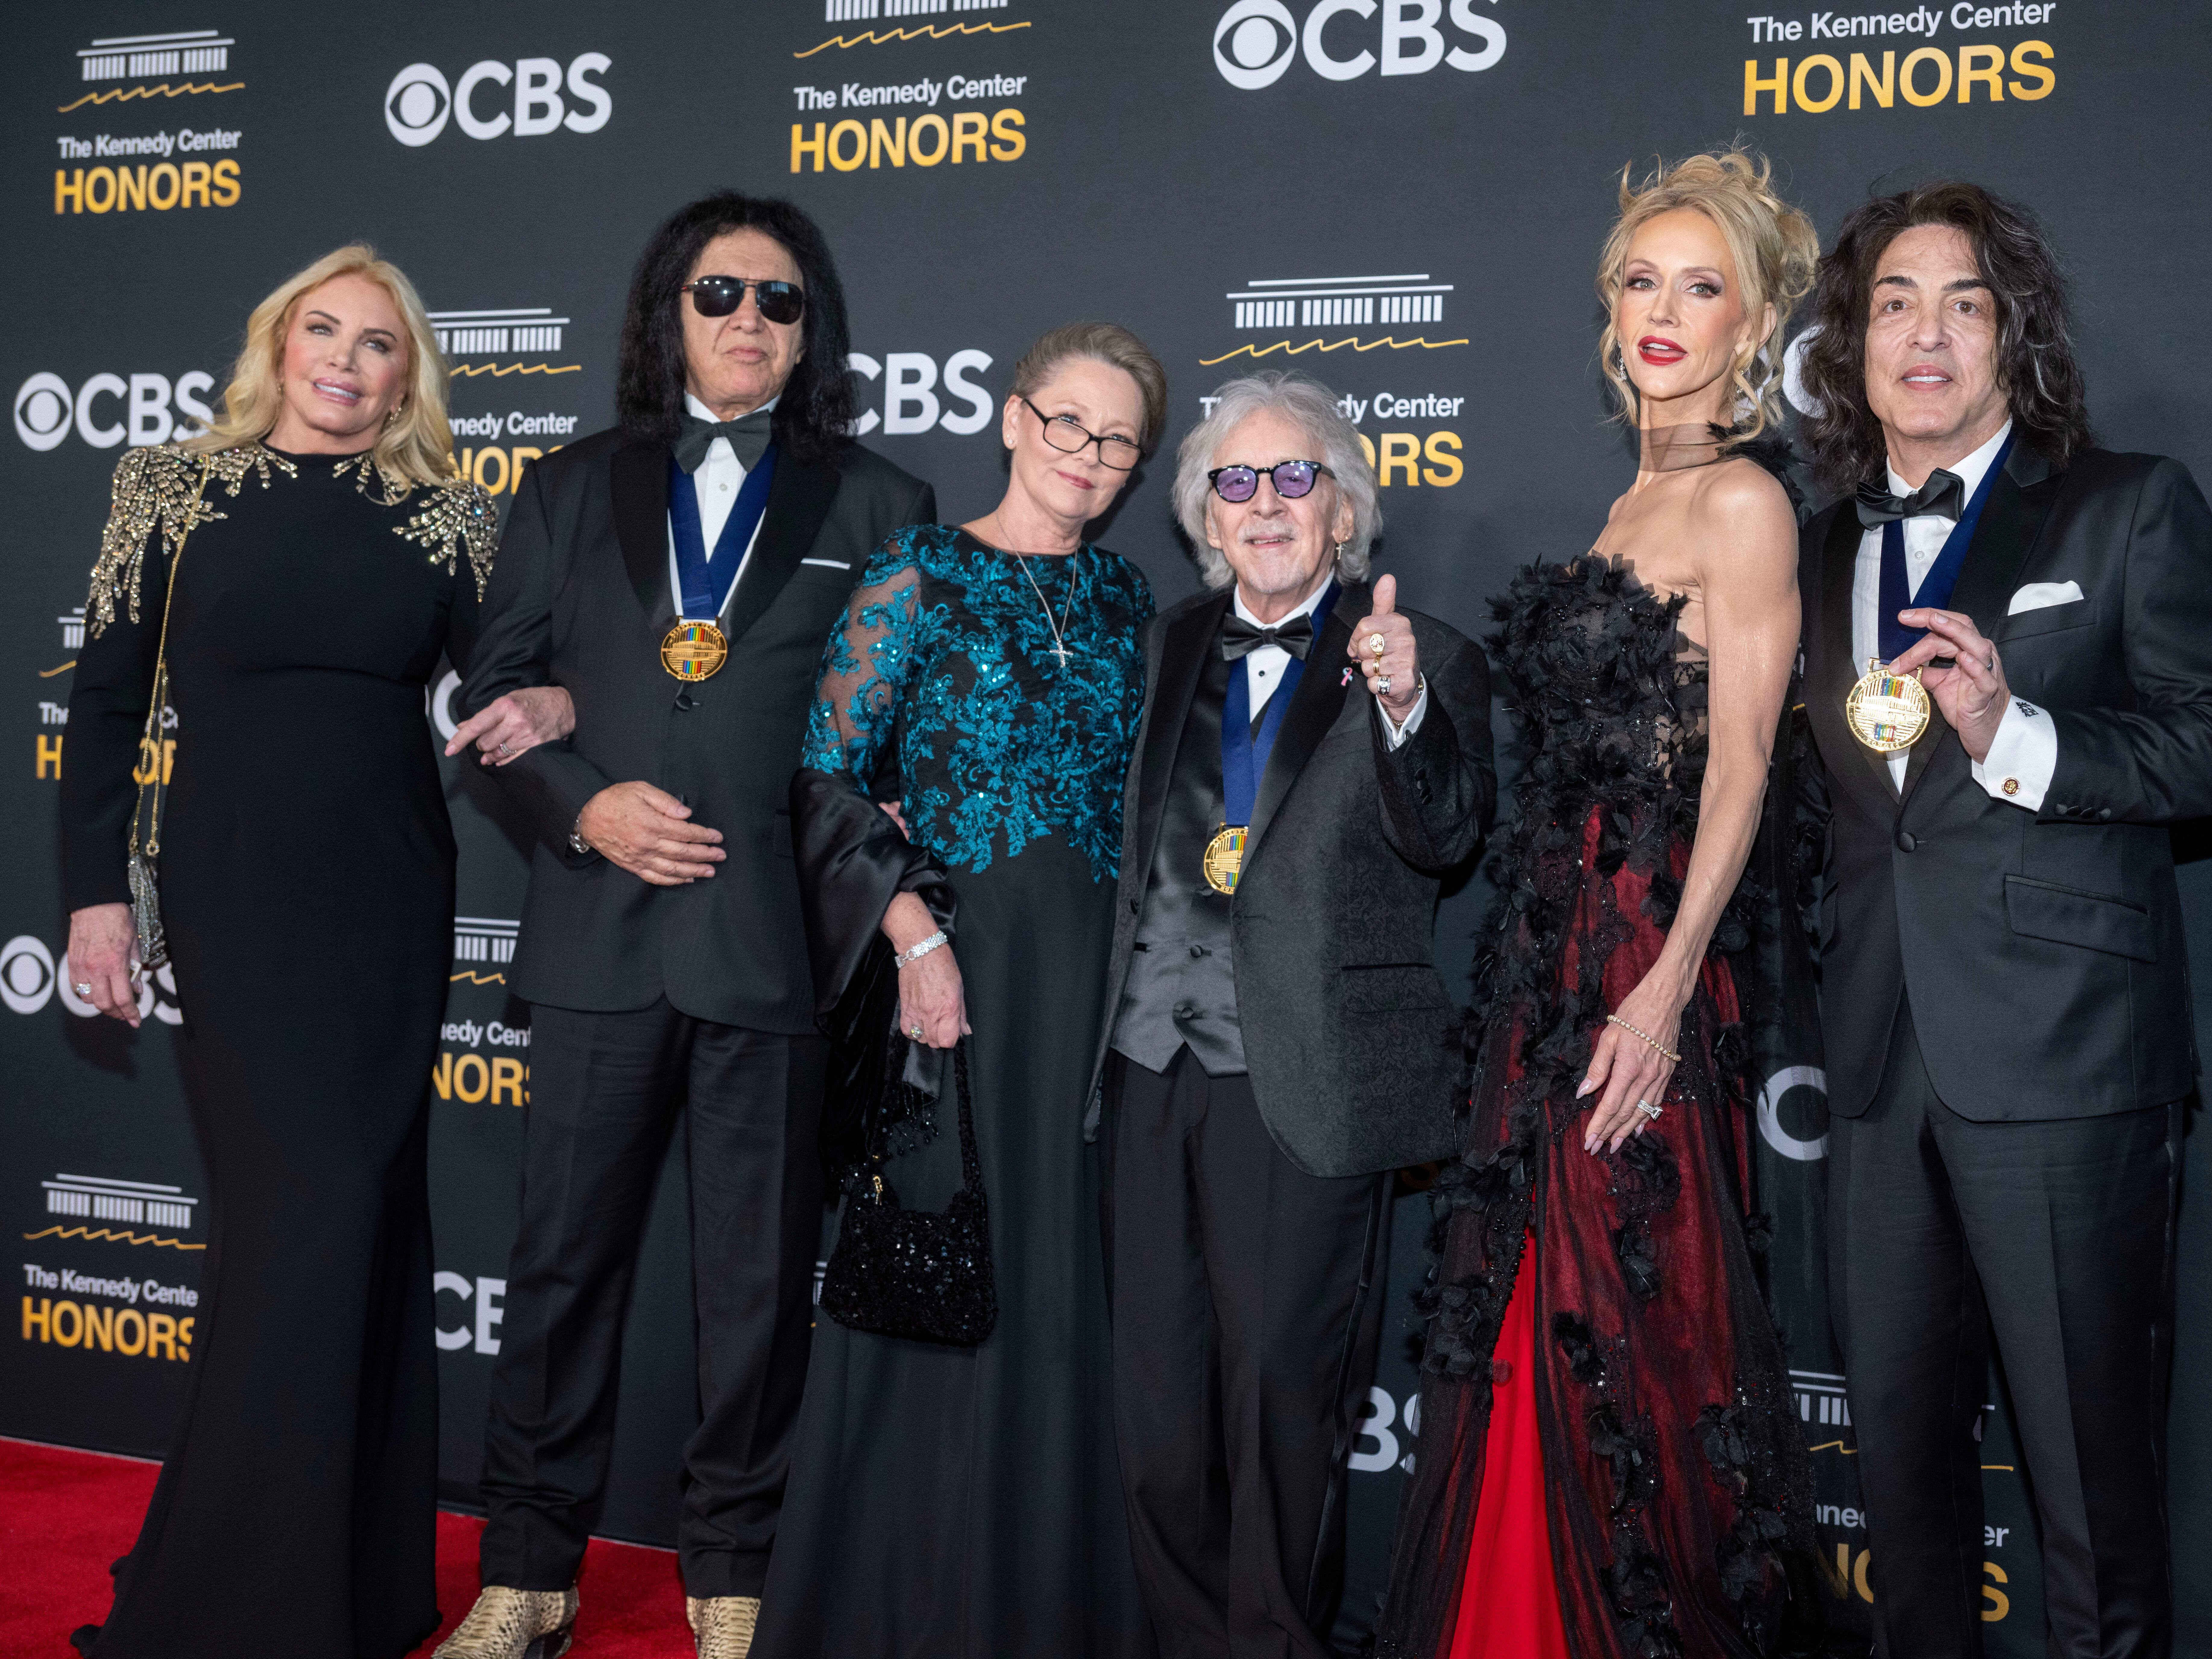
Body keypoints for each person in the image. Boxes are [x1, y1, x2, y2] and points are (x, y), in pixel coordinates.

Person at [442, 193, 934, 1659]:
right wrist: (580, 806)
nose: (746, 322)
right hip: (598, 933)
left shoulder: (878, 503)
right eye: (719, 293)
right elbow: (497, 696)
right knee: (557, 1272)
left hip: (771, 952)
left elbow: (885, 743)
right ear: (671, 310)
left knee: (756, 1287)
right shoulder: (565, 481)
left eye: (779, 301)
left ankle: (733, 1582)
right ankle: (525, 1571)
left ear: (811, 330)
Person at [1379, 151, 1821, 1659]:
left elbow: (1744, 767)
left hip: (1639, 953)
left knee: (1623, 1319)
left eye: (1702, 287)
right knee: (1530, 1316)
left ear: (1752, 323)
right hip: (1544, 960)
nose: (1664, 311)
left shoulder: (1742, 500)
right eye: (1642, 279)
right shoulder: (1632, 492)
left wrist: (1664, 984)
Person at [57, 245, 501, 1657]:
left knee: (359, 1223)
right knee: (297, 1223)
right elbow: (108, 706)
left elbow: (513, 690)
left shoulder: (450, 518)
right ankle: (244, 1597)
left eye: (380, 343)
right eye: (325, 329)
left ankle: (343, 1593)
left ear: (407, 372)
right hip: (234, 895)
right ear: (277, 341)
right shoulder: (169, 488)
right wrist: (95, 897)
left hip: (386, 900)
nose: (347, 359)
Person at [1793, 181, 2210, 1659]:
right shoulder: (1818, 545)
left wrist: (2010, 730)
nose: (1924, 332)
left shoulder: (2122, 501)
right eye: (1892, 302)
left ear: (2008, 336)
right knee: (1898, 1487)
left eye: (1961, 302)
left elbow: (2197, 741)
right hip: (1874, 1066)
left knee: (2090, 1490)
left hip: (2063, 1066)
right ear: (1847, 346)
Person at [755, 323, 1166, 1659]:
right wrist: (914, 935)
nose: (1086, 458)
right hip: (954, 993)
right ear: (1009, 416)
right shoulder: (914, 573)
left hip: (1093, 997)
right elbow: (821, 777)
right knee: (931, 1277)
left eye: (1117, 443)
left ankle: (1040, 1606)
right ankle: (892, 1611)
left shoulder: (1124, 602)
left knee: (1063, 1280)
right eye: (1066, 424)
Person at [1091, 368, 1494, 1658]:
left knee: (1281, 1400)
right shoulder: (1156, 645)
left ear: (1340, 508)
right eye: (1235, 481)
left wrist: (1399, 705)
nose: (1264, 504)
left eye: (1293, 477)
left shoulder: (1421, 653)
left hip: (1303, 1075)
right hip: (1146, 1064)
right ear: (1204, 516)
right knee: (1157, 1411)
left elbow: (1447, 835)